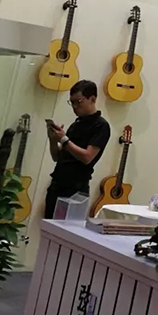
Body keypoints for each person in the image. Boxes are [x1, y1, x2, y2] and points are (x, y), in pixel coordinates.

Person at [44, 80, 111, 219]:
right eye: (72, 102)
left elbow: (87, 157)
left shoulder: (100, 126)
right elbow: (57, 157)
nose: (75, 107)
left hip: (75, 190)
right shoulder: (76, 124)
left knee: (65, 230)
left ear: (92, 99)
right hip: (57, 184)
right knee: (48, 227)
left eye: (79, 101)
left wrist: (64, 139)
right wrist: (53, 139)